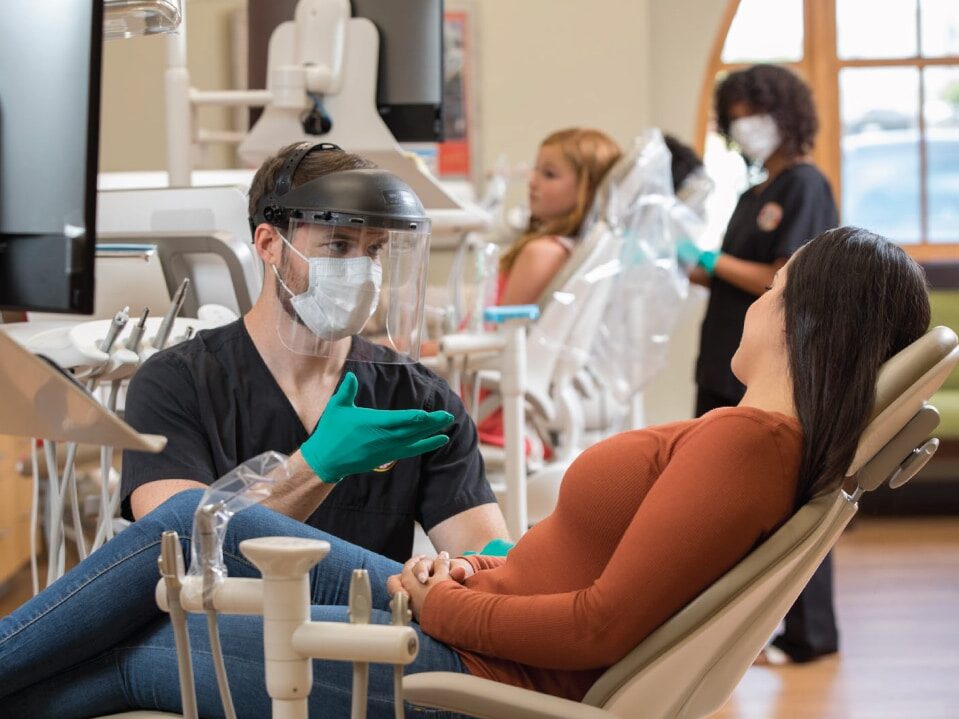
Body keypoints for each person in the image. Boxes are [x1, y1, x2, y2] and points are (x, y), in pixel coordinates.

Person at [0, 227, 931, 717]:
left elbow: (598, 624)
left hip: (470, 666)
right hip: (468, 621)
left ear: (807, 321)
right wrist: (472, 572)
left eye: (770, 291)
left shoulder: (748, 446)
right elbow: (585, 581)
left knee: (146, 628)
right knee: (188, 527)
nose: (752, 303)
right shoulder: (752, 441)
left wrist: (439, 601)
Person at [120, 141, 508, 563]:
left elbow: (485, 558)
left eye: (374, 249)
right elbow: (185, 553)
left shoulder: (415, 400)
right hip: (234, 625)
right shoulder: (177, 385)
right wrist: (316, 465)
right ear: (269, 244)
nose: (362, 273)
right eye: (338, 246)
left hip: (373, 625)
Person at [678, 64, 841, 664]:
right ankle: (738, 630)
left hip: (775, 367)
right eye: (736, 115)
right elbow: (720, 270)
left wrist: (710, 260)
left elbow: (783, 274)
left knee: (787, 500)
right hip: (725, 358)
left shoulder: (803, 185)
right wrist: (680, 252)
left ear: (788, 116)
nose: (746, 126)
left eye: (756, 113)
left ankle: (809, 635)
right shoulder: (751, 193)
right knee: (725, 498)